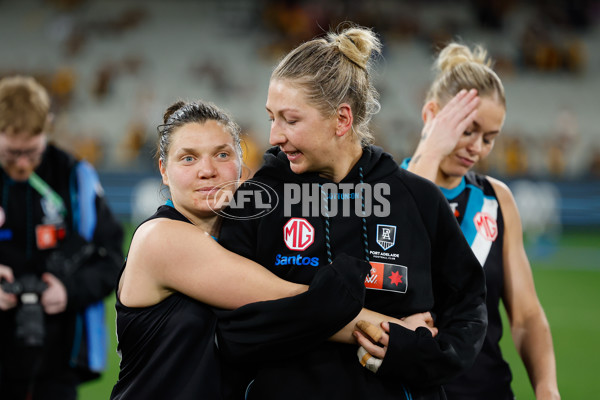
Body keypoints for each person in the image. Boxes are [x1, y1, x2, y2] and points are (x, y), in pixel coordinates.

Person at [218, 24, 487, 400]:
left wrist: (419, 354)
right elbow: (231, 331)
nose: (275, 136)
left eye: (290, 120)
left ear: (342, 120)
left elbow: (468, 306)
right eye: (271, 118)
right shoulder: (256, 201)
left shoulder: (417, 198)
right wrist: (366, 322)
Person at [110, 100, 398, 400]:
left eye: (222, 154)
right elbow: (299, 303)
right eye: (188, 158)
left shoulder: (249, 239)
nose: (207, 170)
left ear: (240, 162)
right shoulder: (160, 239)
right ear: (164, 171)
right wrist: (399, 330)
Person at [403, 43, 560, 399]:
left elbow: (526, 316)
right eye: (467, 129)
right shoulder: (384, 188)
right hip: (409, 390)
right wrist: (430, 153)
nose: (477, 147)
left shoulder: (497, 199)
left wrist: (547, 388)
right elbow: (411, 236)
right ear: (431, 114)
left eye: (489, 138)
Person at [0, 75, 123, 400]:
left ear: (47, 128)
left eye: (31, 152)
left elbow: (111, 259)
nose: (23, 165)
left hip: (58, 364)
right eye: (12, 153)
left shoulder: (74, 177)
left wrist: (68, 291)